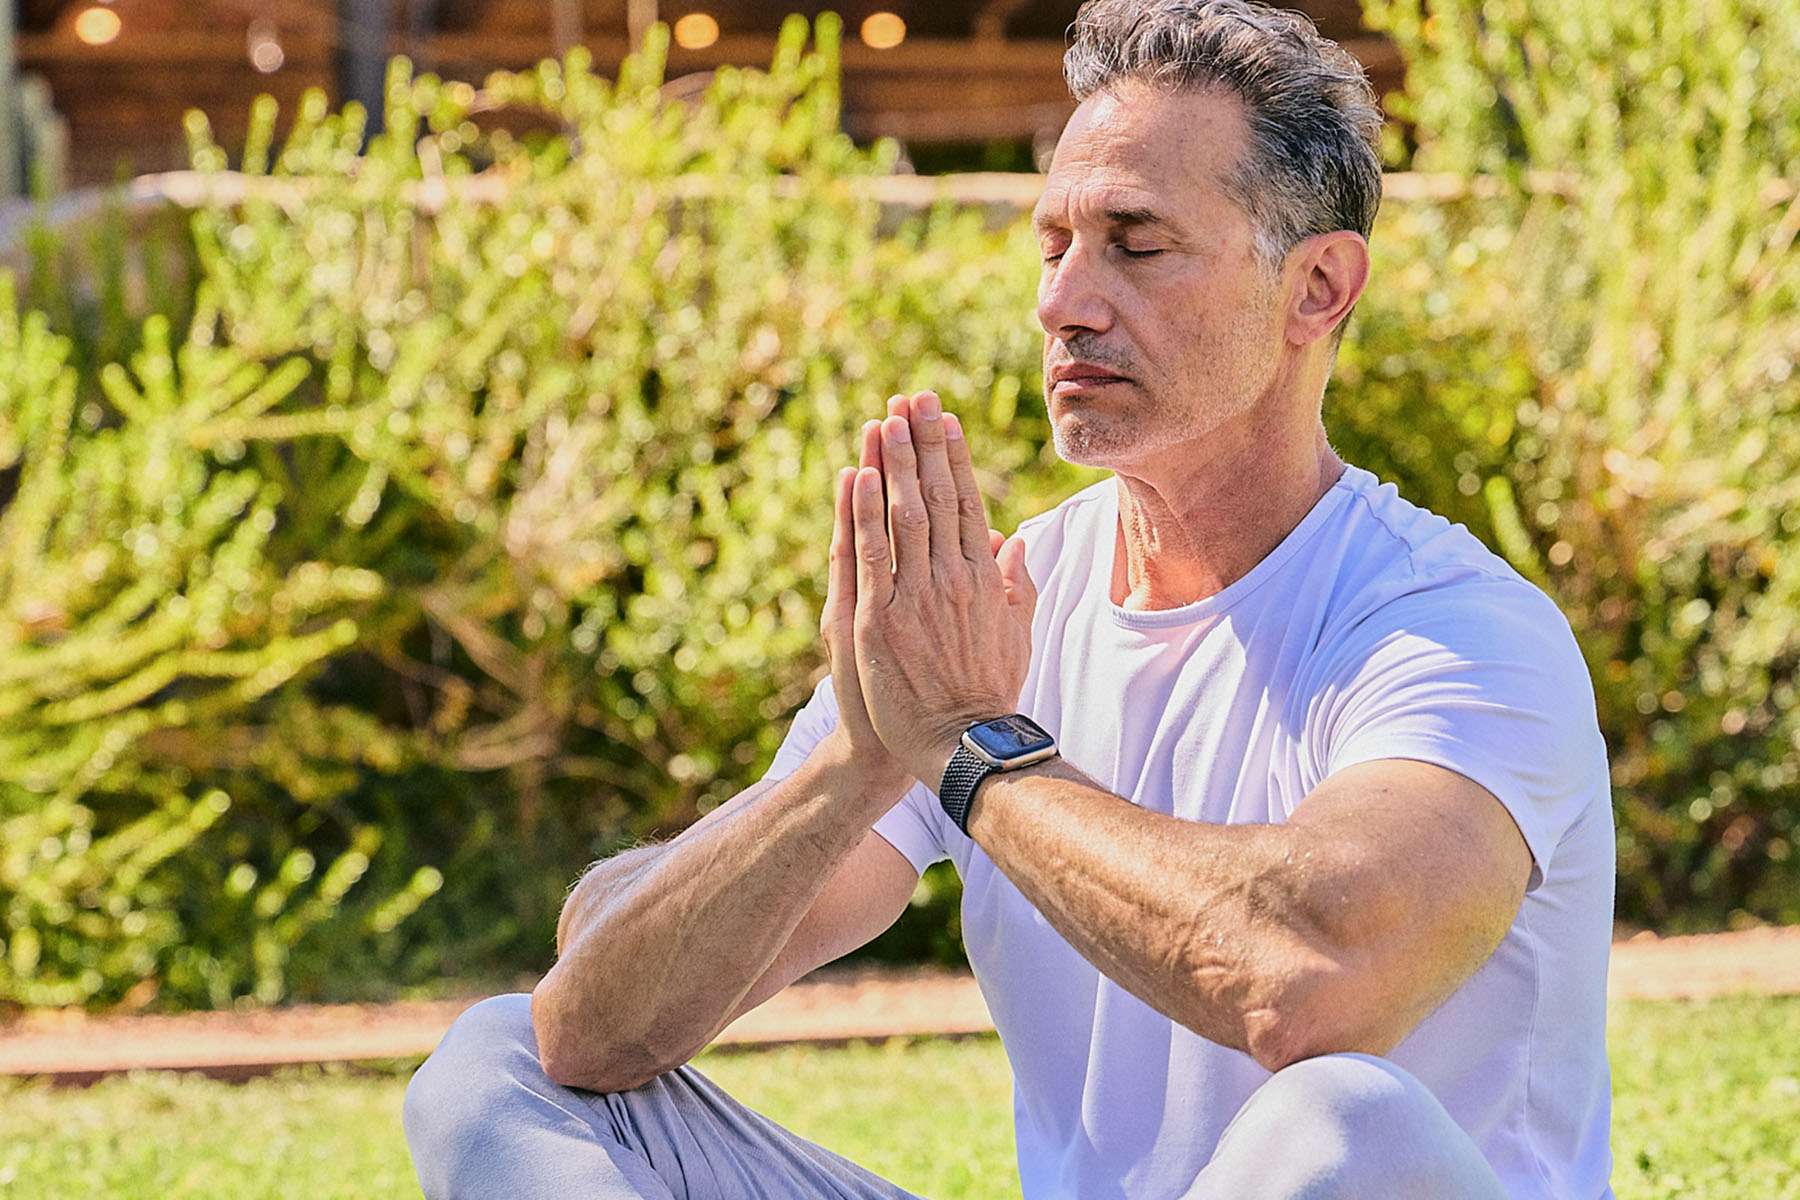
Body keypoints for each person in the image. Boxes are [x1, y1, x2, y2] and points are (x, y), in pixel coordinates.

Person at [403, 1, 1616, 1196]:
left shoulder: (1455, 629)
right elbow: (595, 1028)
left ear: (1317, 288)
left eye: (1136, 244)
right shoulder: (990, 617)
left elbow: (1310, 980)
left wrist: (970, 748)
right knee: (499, 1061)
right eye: (1053, 245)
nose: (1063, 303)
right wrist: (861, 762)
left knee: (1341, 1120)